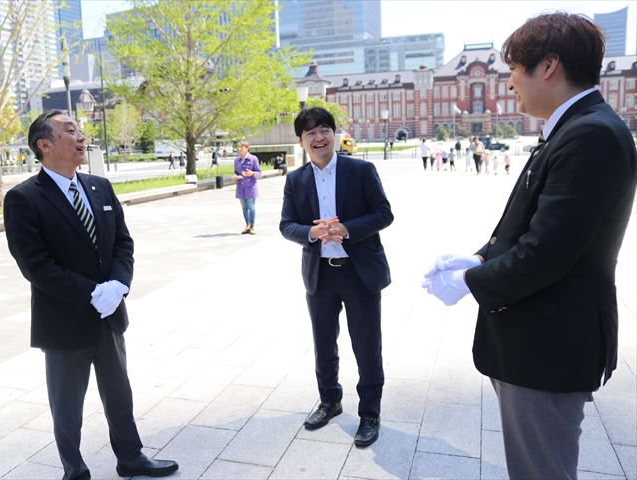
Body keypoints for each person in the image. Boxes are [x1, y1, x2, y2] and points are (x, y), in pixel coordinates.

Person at [421, 13, 636, 479]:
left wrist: (469, 280)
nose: (510, 81)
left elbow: (546, 252)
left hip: (549, 345)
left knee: (541, 471)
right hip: (539, 338)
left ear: (548, 66)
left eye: (515, 68)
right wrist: (480, 256)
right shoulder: (574, 127)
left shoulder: (590, 134)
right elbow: (530, 225)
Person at [4, 110, 179, 480]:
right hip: (64, 321)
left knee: (120, 395)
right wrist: (92, 293)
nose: (81, 137)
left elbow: (122, 244)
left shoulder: (100, 186)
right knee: (67, 407)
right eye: (70, 130)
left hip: (109, 314)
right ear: (45, 145)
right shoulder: (24, 198)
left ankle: (131, 459)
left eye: (80, 130)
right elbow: (36, 266)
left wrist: (118, 285)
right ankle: (74, 471)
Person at [280, 107, 394, 448]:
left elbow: (384, 213)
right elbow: (287, 225)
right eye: (310, 133)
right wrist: (311, 232)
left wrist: (347, 229)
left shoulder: (360, 170)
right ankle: (330, 400)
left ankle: (369, 414)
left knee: (367, 346)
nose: (319, 138)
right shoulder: (295, 179)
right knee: (324, 345)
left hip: (359, 274)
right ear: (301, 140)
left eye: (324, 130)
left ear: (334, 133)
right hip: (320, 276)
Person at [233, 140, 261, 235]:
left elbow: (259, 172)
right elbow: (236, 172)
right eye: (239, 147)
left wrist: (252, 173)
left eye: (242, 147)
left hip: (250, 187)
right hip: (241, 187)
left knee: (251, 207)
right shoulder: (237, 160)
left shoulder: (253, 159)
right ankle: (247, 225)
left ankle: (251, 226)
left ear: (247, 148)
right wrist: (235, 176)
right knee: (244, 207)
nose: (240, 149)